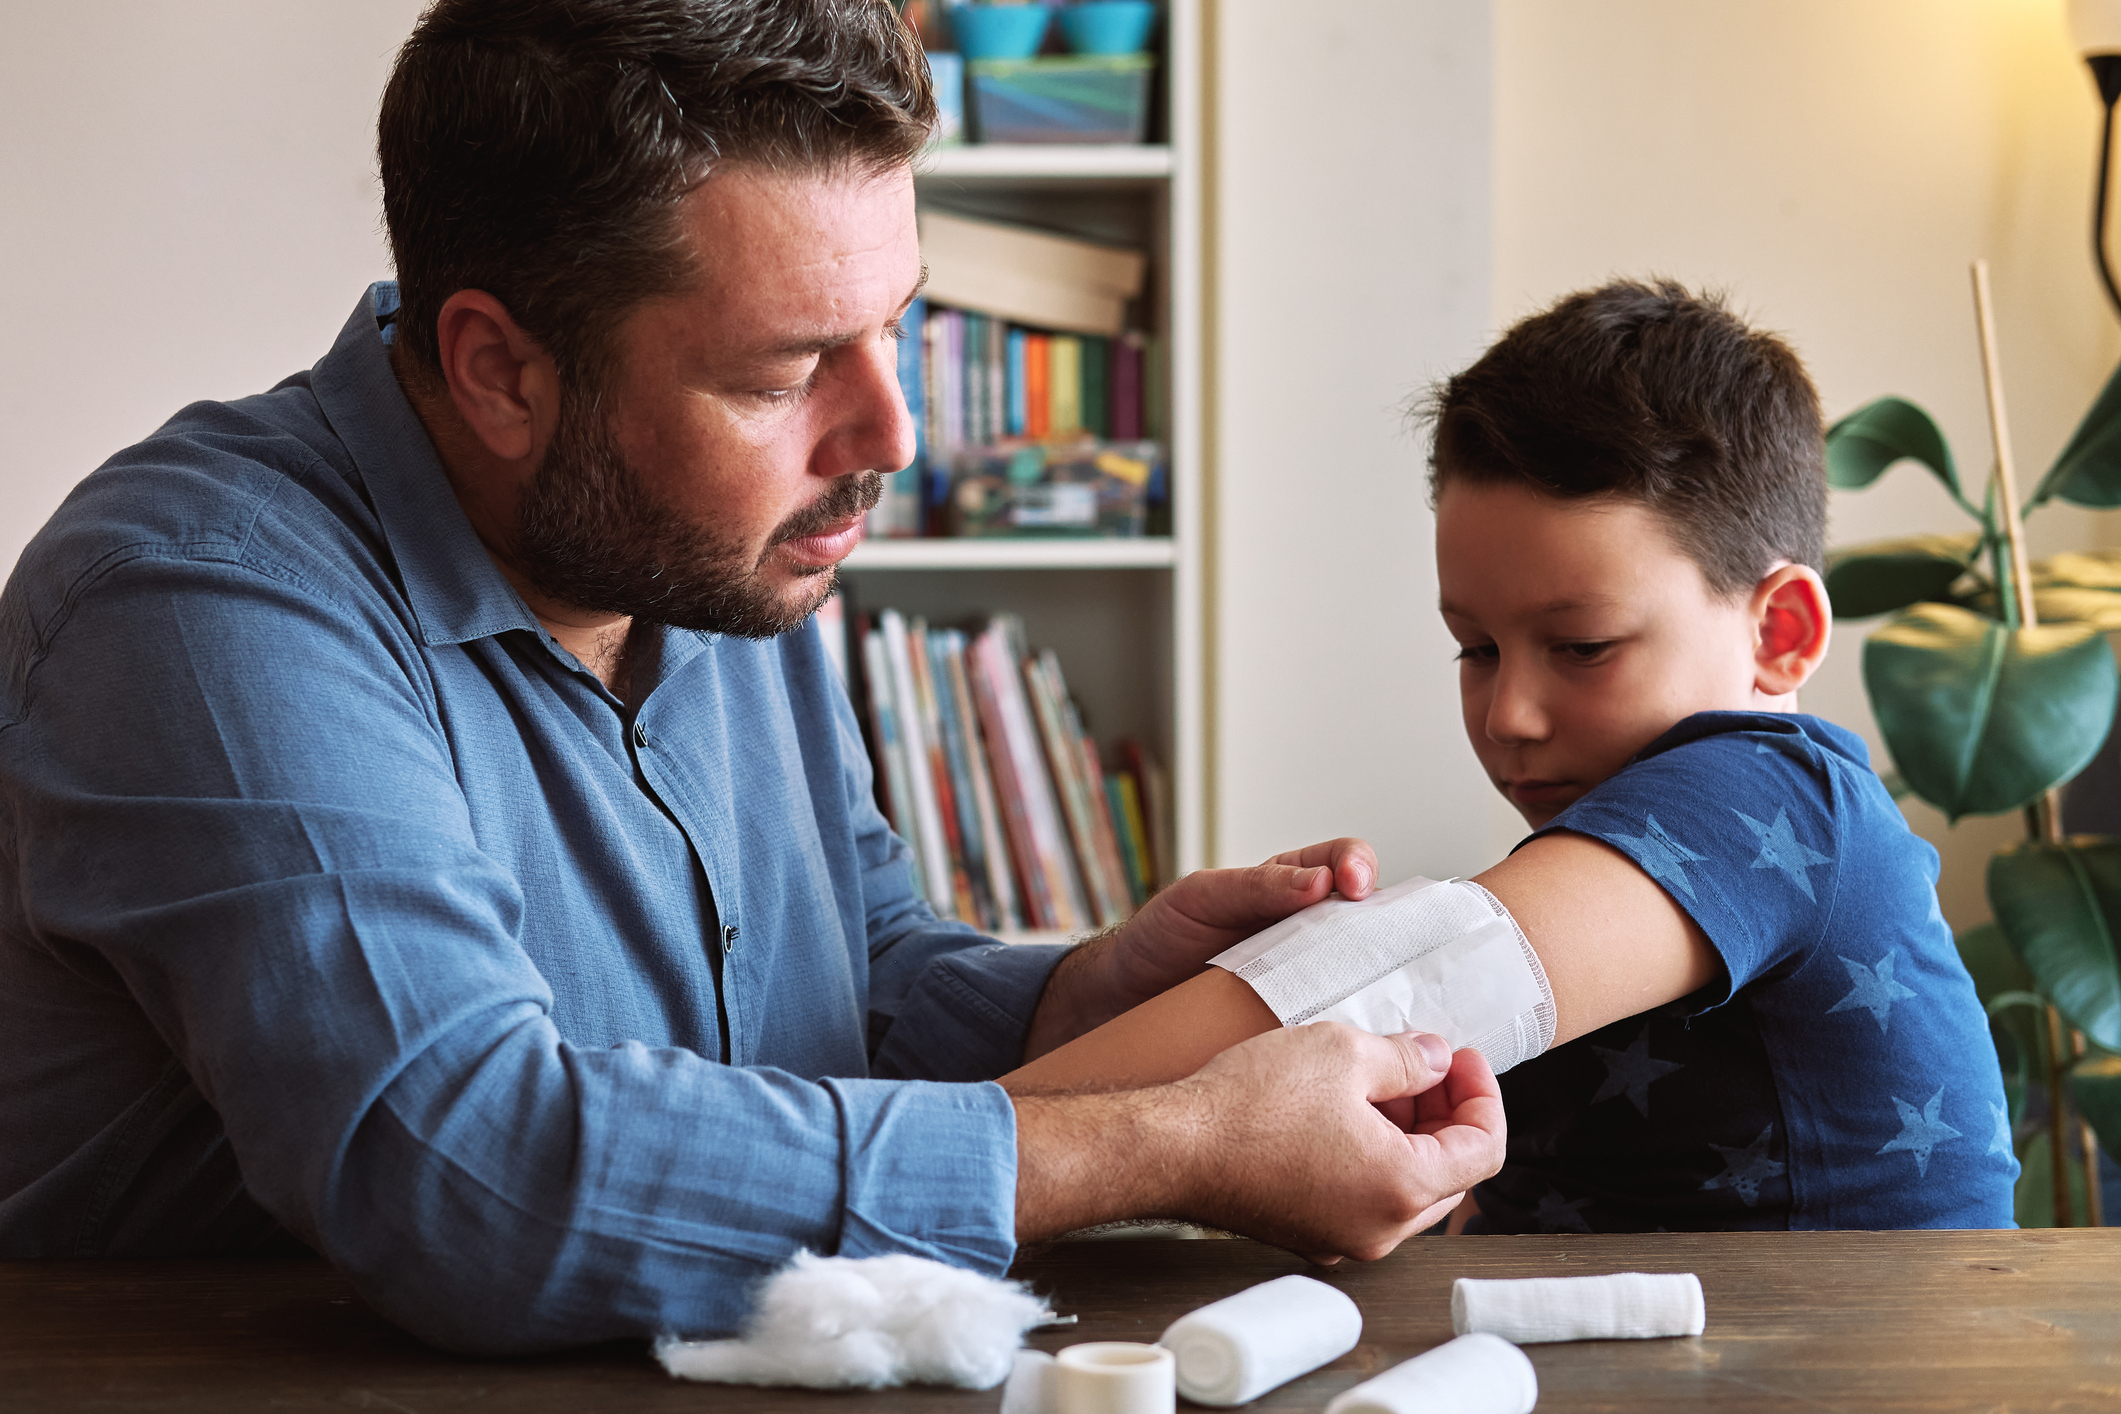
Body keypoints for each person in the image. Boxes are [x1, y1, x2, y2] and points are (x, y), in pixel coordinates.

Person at [0, 0, 1506, 1352]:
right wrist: (1170, 1144)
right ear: (500, 370)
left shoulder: (705, 546)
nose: (889, 437)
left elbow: (850, 990)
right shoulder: (197, 601)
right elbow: (471, 1168)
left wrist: (1080, 989)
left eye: (895, 329)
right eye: (781, 376)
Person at [1012, 280, 2018, 1232]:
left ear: (1781, 630)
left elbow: (1402, 977)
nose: (1509, 715)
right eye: (1476, 648)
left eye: (1583, 647)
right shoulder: (1627, 858)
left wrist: (925, 1158)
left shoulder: (1773, 791)